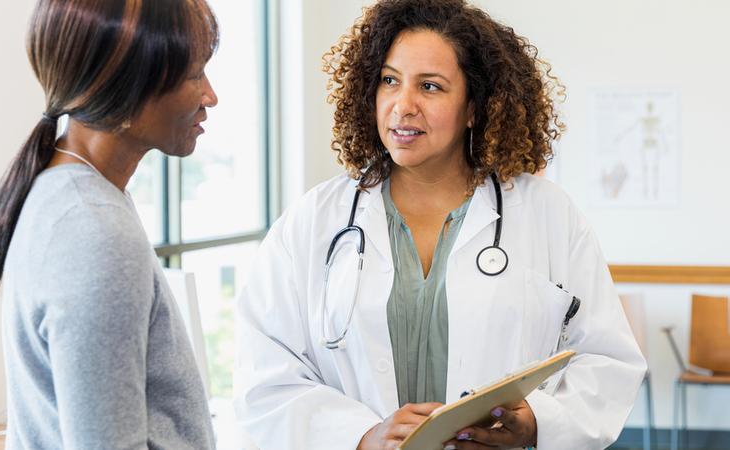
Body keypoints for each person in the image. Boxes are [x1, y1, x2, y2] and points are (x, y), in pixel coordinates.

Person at [233, 0, 646, 449]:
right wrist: (360, 436)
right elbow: (264, 370)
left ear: (474, 107)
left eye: (430, 86)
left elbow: (607, 359)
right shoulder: (316, 219)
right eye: (390, 80)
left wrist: (538, 422)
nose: (403, 105)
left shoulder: (545, 213)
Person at [0, 0, 218, 448]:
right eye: (194, 75)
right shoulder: (95, 232)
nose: (210, 95)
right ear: (128, 85)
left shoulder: (73, 191)